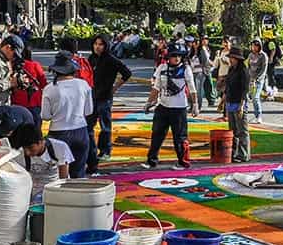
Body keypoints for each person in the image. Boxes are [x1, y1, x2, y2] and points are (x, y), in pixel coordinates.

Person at [143, 42, 197, 170]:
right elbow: (156, 88)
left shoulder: (186, 69)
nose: (177, 58)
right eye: (174, 55)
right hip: (162, 107)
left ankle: (183, 162)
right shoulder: (161, 68)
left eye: (179, 56)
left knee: (180, 137)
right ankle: (151, 160)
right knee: (156, 134)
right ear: (168, 57)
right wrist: (149, 103)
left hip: (179, 108)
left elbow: (192, 88)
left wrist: (195, 104)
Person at [42, 51, 93, 178]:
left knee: (59, 174)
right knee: (79, 171)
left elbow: (45, 116)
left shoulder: (49, 89)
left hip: (58, 133)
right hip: (80, 131)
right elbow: (89, 111)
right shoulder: (83, 85)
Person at [87, 34, 132, 172]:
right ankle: (92, 152)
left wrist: (115, 87)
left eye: (100, 44)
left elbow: (127, 73)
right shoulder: (91, 59)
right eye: (95, 44)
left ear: (105, 46)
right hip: (92, 96)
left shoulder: (111, 59)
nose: (97, 47)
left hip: (105, 97)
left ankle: (105, 150)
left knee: (105, 126)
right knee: (88, 126)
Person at [9, 122, 73, 204]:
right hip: (33, 193)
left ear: (41, 141)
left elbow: (63, 180)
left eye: (30, 148)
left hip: (55, 190)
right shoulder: (19, 154)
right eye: (24, 148)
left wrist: (61, 197)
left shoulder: (60, 148)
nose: (27, 152)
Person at [9, 39, 48, 126]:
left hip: (17, 101)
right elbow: (43, 83)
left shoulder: (11, 65)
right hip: (34, 102)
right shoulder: (35, 65)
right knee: (35, 128)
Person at [223, 46, 251, 163]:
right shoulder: (231, 70)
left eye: (233, 58)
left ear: (238, 59)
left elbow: (245, 89)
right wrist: (223, 101)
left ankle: (244, 154)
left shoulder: (243, 71)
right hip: (230, 102)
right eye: (230, 58)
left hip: (239, 103)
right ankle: (233, 153)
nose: (231, 60)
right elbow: (228, 86)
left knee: (242, 131)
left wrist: (241, 105)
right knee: (232, 131)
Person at [247, 39, 268, 123]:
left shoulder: (263, 55)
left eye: (256, 46)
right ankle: (254, 115)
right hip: (251, 79)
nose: (254, 47)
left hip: (259, 80)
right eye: (253, 46)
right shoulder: (250, 55)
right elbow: (248, 65)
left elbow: (264, 69)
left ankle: (259, 115)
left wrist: (258, 78)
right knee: (251, 98)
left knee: (256, 98)